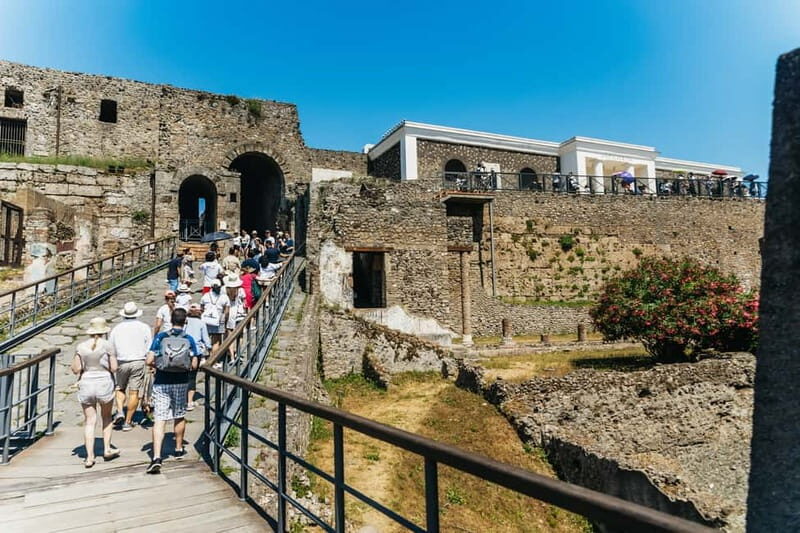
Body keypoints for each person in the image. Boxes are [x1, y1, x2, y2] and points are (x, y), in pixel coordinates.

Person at [145, 308, 199, 474]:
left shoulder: (161, 337)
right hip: (181, 382)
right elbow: (195, 364)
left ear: (170, 319)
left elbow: (149, 360)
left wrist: (158, 366)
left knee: (160, 419)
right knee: (179, 414)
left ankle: (157, 457)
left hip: (162, 382)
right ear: (185, 321)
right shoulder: (189, 339)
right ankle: (177, 448)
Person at [71, 317, 120, 468]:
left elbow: (76, 369)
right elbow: (114, 367)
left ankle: (90, 457)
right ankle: (106, 449)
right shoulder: (108, 345)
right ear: (104, 330)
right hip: (104, 383)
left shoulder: (81, 346)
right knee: (106, 417)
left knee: (90, 421)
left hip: (86, 383)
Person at [109, 302, 152, 431]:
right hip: (138, 360)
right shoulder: (144, 327)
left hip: (122, 361)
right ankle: (128, 421)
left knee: (120, 388)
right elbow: (149, 346)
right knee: (134, 392)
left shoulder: (117, 328)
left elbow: (111, 347)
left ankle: (120, 410)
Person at [184, 304, 210, 410]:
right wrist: (209, 348)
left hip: (184, 350)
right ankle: (190, 401)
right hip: (195, 352)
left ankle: (181, 399)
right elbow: (206, 340)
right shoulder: (201, 323)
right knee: (192, 377)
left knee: (183, 374)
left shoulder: (185, 321)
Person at [200, 279, 230, 357]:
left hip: (206, 320)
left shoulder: (205, 296)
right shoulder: (224, 297)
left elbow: (201, 308)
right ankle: (213, 359)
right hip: (219, 320)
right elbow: (226, 312)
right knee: (216, 341)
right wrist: (225, 322)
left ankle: (205, 356)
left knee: (205, 339)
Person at [224, 274, 247, 363]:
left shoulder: (226, 291)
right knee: (240, 335)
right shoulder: (241, 290)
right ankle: (238, 353)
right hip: (240, 313)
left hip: (230, 314)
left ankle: (232, 357)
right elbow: (244, 303)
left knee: (230, 336)